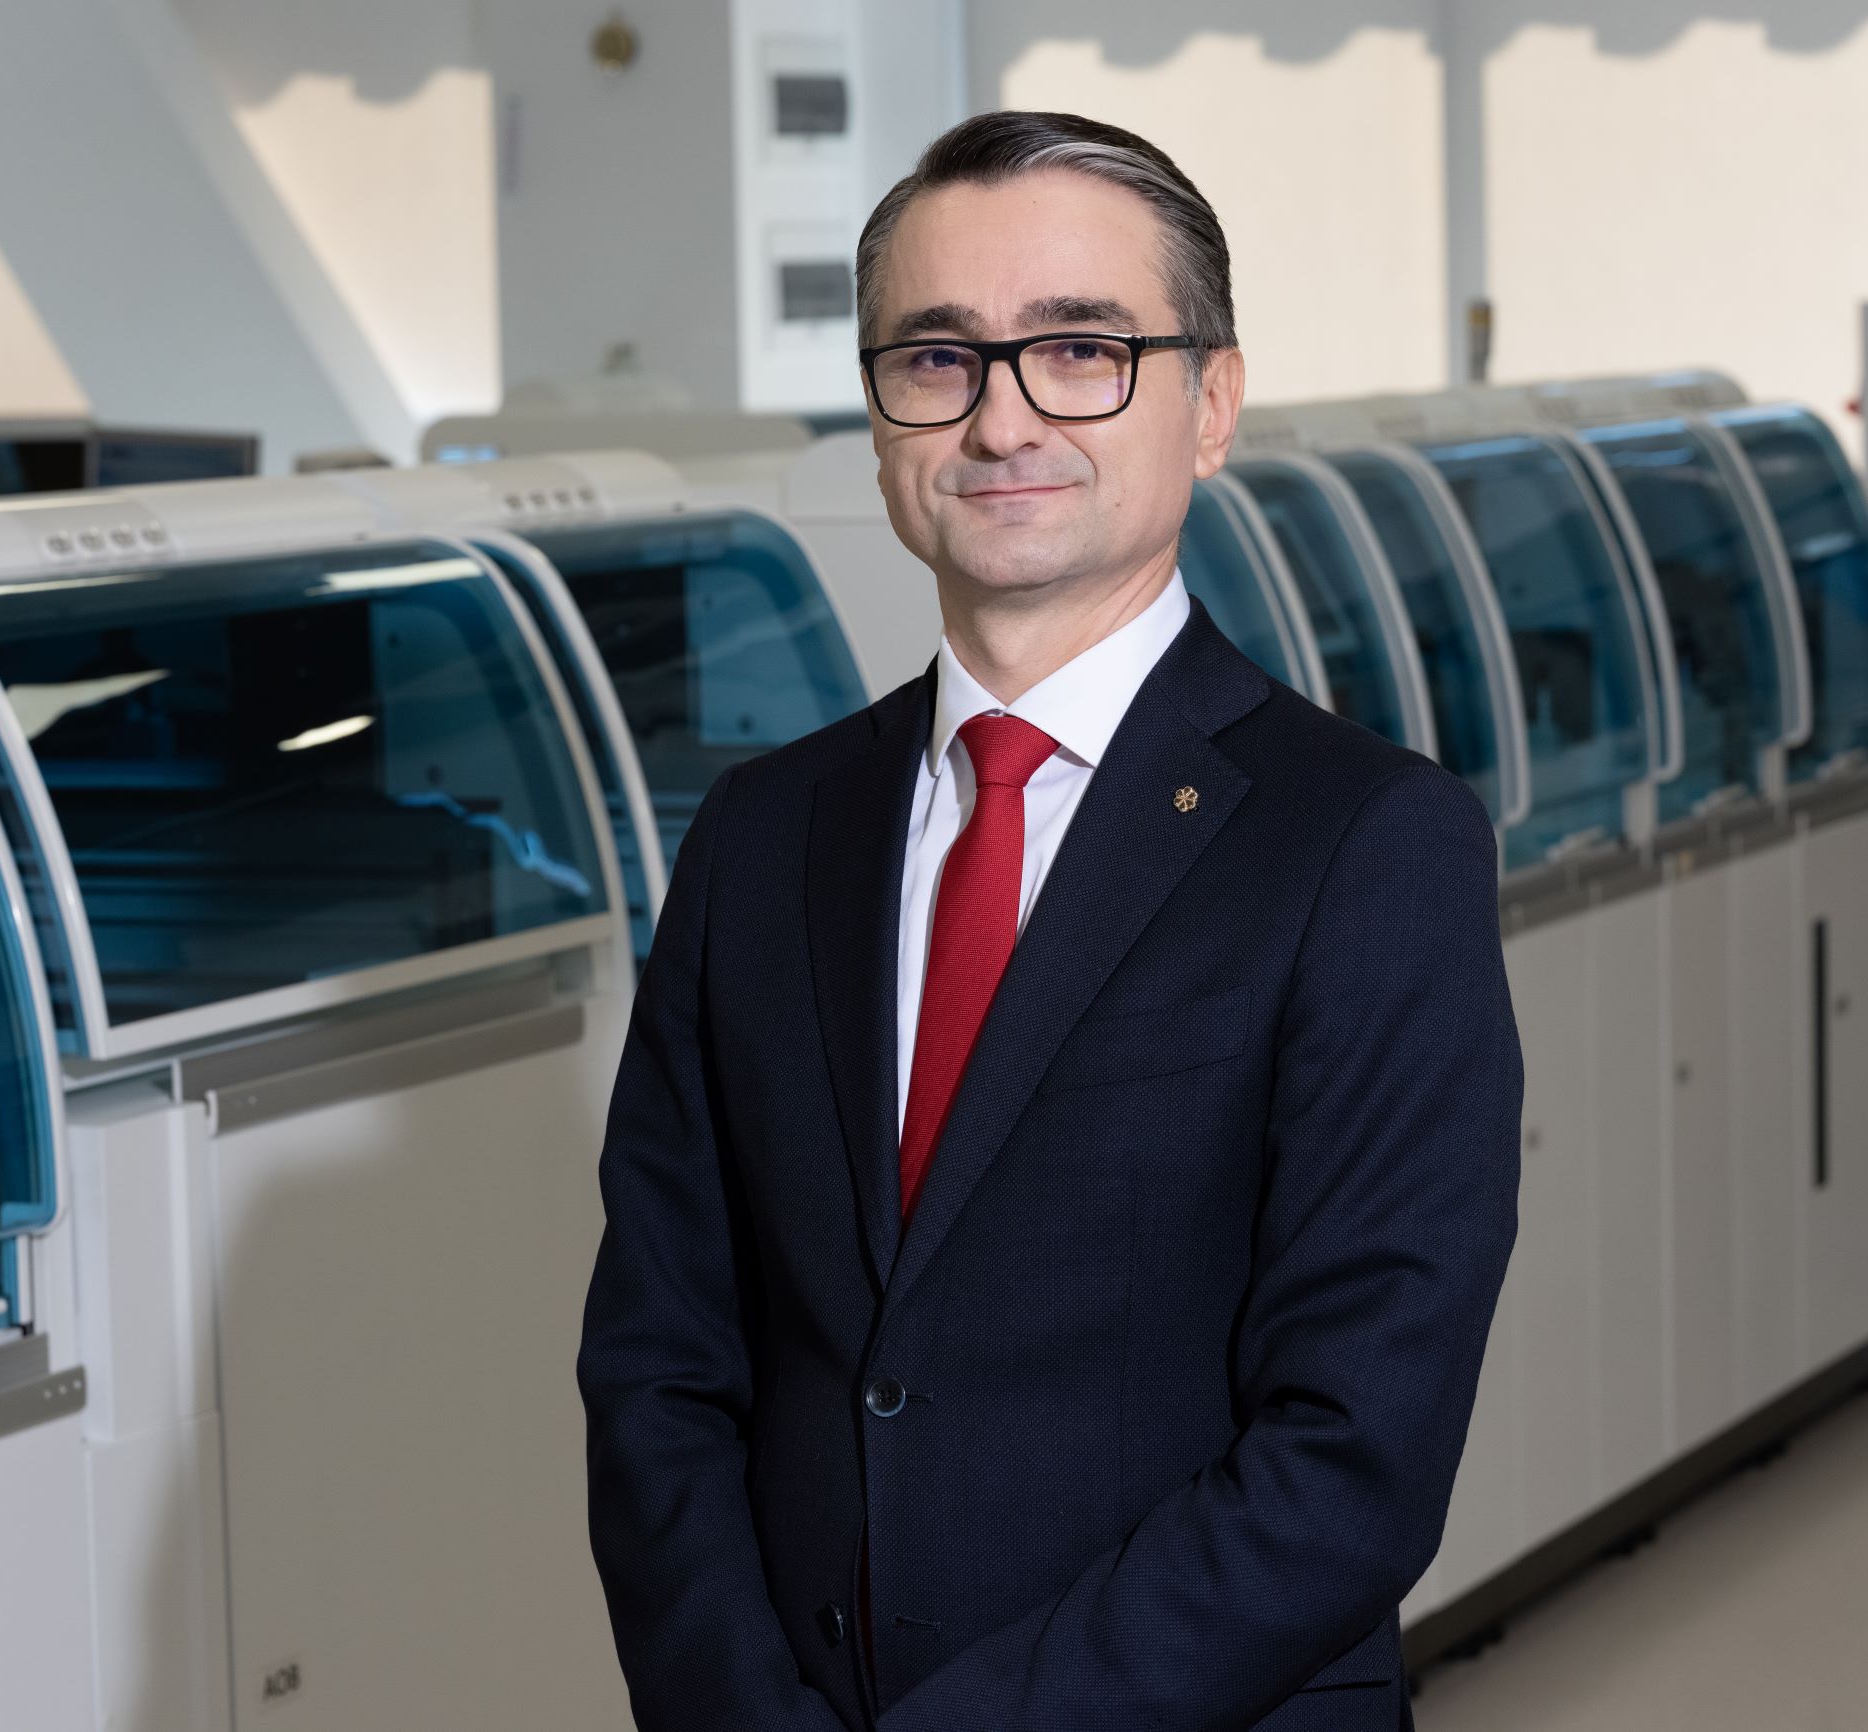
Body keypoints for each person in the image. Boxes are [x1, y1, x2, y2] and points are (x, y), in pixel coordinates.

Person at [578, 110, 1522, 1732]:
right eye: (936, 358)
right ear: (878, 417)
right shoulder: (761, 836)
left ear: (1208, 404)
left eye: (1081, 349)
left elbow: (1353, 1455)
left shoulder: (1367, 846)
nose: (1001, 418)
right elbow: (660, 1363)